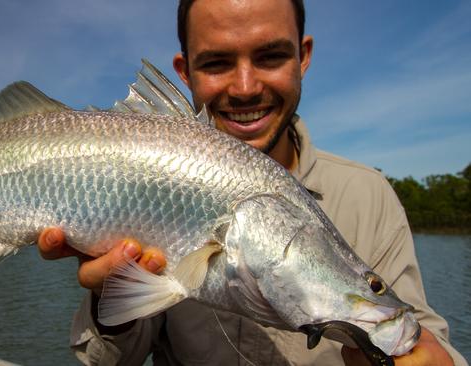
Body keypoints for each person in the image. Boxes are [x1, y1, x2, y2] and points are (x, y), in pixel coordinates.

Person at [38, 0, 468, 365]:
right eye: (217, 62)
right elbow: (109, 359)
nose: (245, 88)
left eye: (270, 56)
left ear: (303, 56)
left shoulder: (369, 194)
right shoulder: (131, 172)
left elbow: (426, 333)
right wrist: (113, 299)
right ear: (184, 71)